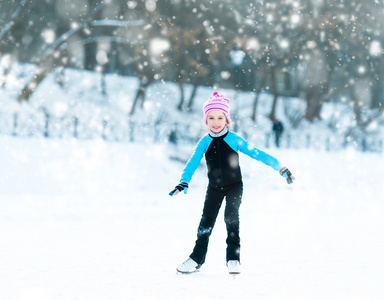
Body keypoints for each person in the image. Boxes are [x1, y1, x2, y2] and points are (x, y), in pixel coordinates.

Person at [169, 92, 295, 275]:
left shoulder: (234, 139)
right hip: (214, 188)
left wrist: (280, 167)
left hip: (234, 185)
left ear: (226, 119)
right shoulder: (204, 142)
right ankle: (197, 259)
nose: (215, 121)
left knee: (231, 217)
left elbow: (257, 153)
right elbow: (192, 162)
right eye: (211, 117)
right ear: (206, 120)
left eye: (220, 117)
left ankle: (233, 259)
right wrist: (183, 182)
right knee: (205, 223)